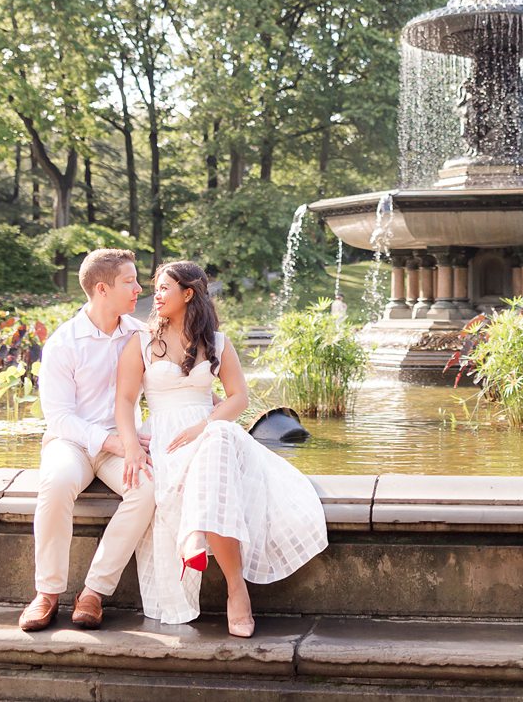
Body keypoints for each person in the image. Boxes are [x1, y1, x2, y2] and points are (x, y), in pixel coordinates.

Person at [115, 260, 327, 637]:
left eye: (164, 288)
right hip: (166, 439)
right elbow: (124, 401)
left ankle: (202, 541)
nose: (156, 295)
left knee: (220, 436)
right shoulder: (141, 343)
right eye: (156, 288)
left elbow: (239, 398)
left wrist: (204, 425)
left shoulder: (217, 343)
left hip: (209, 430)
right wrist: (131, 448)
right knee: (217, 447)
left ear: (188, 294)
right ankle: (234, 586)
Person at [18, 248, 154, 633]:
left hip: (124, 441)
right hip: (72, 443)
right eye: (129, 282)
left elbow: (163, 387)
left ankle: (93, 591)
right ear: (101, 288)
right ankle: (46, 592)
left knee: (148, 491)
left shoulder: (140, 335)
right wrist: (113, 444)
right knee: (57, 482)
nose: (138, 289)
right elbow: (60, 417)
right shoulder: (63, 343)